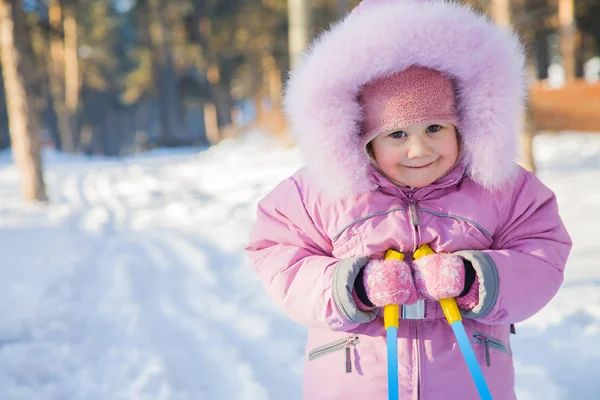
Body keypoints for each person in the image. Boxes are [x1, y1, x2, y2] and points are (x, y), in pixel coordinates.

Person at [245, 0, 572, 398]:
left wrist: (475, 278)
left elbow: (543, 254)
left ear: (465, 125)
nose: (419, 150)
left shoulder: (499, 189)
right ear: (362, 139)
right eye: (397, 135)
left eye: (435, 127)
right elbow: (278, 254)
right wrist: (353, 287)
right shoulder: (322, 194)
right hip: (355, 383)